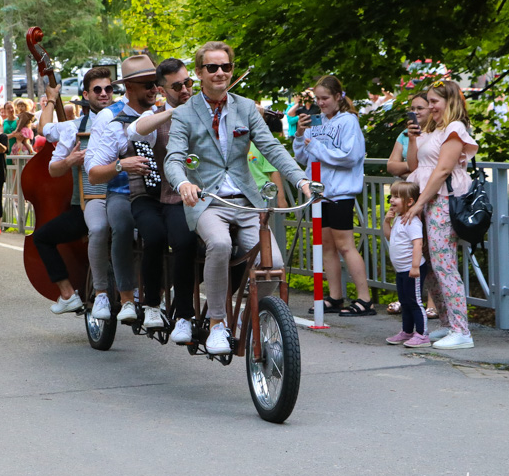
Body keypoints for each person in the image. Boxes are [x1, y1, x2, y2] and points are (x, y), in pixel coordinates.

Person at [165, 41, 310, 354]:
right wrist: (182, 184)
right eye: (212, 68)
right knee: (219, 244)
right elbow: (173, 157)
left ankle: (249, 316)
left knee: (272, 264)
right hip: (207, 200)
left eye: (225, 67)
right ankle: (217, 324)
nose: (220, 73)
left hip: (246, 200)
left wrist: (299, 178)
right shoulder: (185, 113)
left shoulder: (245, 107)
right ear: (199, 74)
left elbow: (271, 147)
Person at [125, 58, 199, 341]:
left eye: (188, 83)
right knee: (160, 237)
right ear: (162, 90)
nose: (185, 90)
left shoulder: (203, 109)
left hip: (195, 195)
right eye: (178, 86)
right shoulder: (155, 116)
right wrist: (172, 113)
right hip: (158, 195)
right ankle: (155, 305)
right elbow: (134, 131)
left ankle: (191, 312)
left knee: (194, 241)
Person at [404, 79, 479, 350]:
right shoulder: (434, 129)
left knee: (444, 264)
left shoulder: (455, 129)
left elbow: (443, 171)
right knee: (433, 266)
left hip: (442, 201)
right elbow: (415, 166)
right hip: (427, 201)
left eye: (435, 101)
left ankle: (462, 331)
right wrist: (413, 138)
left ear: (450, 102)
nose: (431, 106)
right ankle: (448, 324)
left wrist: (418, 203)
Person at [86, 55, 161, 325]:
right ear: (129, 87)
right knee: (121, 224)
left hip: (160, 193)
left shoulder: (160, 112)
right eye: (147, 84)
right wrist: (122, 164)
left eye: (156, 83)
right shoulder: (110, 116)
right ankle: (126, 297)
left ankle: (164, 293)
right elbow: (94, 172)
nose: (154, 89)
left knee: (179, 229)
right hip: (122, 192)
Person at [32, 68, 113, 317]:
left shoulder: (127, 121)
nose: (103, 94)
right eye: (97, 89)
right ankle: (68, 294)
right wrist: (70, 160)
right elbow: (44, 131)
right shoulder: (74, 127)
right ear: (86, 95)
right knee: (42, 237)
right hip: (87, 205)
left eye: (108, 89)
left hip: (121, 202)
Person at [294, 75, 375, 317]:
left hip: (340, 192)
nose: (320, 103)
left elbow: (348, 156)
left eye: (325, 98)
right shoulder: (318, 123)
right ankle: (335, 296)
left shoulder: (348, 121)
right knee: (326, 245)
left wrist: (314, 146)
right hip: (319, 192)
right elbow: (302, 157)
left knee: (345, 245)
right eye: (317, 98)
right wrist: (300, 135)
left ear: (338, 97)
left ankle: (364, 299)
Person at [384, 92, 438, 318]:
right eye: (412, 108)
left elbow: (435, 166)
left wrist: (412, 167)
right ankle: (407, 296)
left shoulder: (437, 134)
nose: (415, 113)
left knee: (429, 249)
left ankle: (432, 303)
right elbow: (391, 165)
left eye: (420, 108)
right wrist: (413, 166)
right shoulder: (406, 134)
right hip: (408, 197)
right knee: (405, 242)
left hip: (430, 195)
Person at [382, 181, 429, 347]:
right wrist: (387, 222)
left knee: (414, 301)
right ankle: (407, 331)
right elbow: (389, 237)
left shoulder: (412, 222)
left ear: (409, 202)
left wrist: (415, 266)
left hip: (412, 269)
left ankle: (423, 335)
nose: (392, 200)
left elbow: (418, 244)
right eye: (391, 196)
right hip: (401, 270)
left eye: (396, 197)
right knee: (405, 301)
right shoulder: (399, 219)